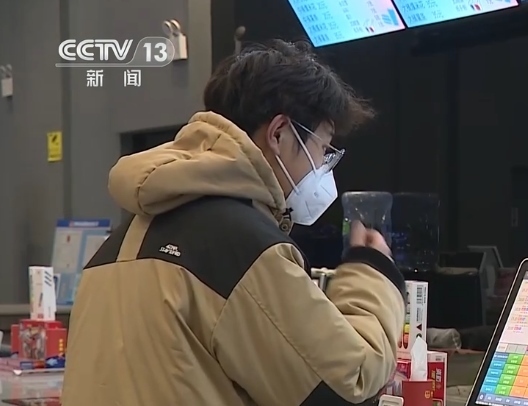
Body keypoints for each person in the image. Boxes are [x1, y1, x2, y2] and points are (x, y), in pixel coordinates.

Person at [61, 40, 406, 405]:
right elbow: (345, 386)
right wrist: (371, 273)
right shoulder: (243, 249)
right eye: (323, 150)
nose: (323, 167)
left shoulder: (115, 246)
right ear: (279, 134)